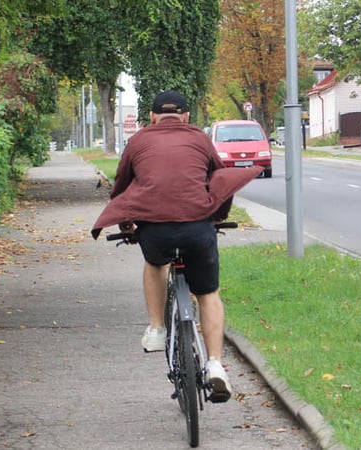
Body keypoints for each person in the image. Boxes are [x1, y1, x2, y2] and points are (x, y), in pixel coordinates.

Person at [91, 90, 262, 403]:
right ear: (185, 117)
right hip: (198, 228)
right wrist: (216, 218)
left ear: (153, 117)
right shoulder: (199, 138)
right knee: (208, 294)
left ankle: (156, 328)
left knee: (155, 264)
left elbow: (122, 186)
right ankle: (214, 365)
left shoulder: (139, 141)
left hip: (155, 232)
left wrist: (126, 224)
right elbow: (219, 178)